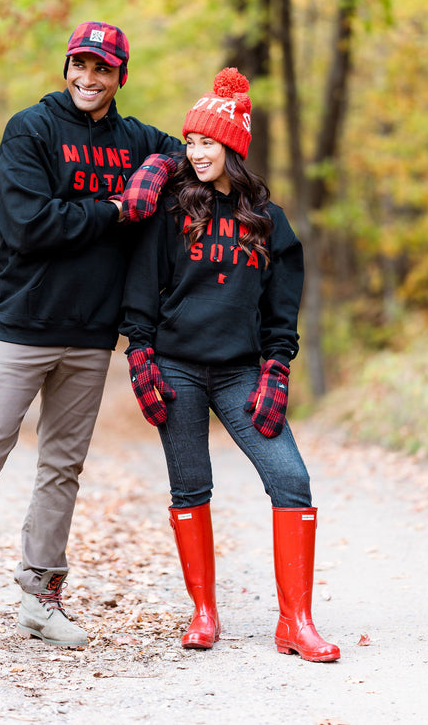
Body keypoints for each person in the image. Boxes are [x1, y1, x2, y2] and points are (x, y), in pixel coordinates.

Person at [0, 21, 181, 656]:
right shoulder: (30, 129)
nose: (89, 78)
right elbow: (30, 224)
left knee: (62, 467)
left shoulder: (134, 138)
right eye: (80, 65)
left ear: (121, 77)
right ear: (66, 68)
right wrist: (116, 209)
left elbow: (186, 151)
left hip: (89, 335)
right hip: (21, 325)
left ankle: (40, 597)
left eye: (103, 68)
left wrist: (157, 168)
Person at [120, 68, 340, 662]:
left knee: (290, 479)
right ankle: (204, 612)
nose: (195, 153)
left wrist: (277, 369)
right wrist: (141, 356)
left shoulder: (270, 223)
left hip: (242, 371)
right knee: (190, 486)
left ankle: (296, 622)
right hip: (177, 369)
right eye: (189, 142)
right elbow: (142, 293)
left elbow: (280, 311)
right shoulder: (171, 212)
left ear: (233, 148)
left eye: (208, 143)